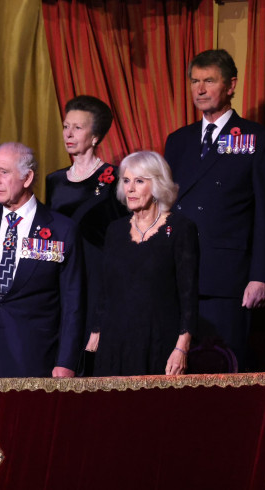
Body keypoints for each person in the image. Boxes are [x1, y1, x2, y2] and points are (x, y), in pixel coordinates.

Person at [164, 49, 265, 370]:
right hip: (178, 273)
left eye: (209, 81)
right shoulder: (178, 140)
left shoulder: (256, 138)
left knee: (222, 371)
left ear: (231, 86)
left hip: (228, 278)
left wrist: (259, 276)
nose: (199, 89)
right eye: (194, 81)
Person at [0, 142, 84, 378]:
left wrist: (66, 361)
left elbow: (73, 303)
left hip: (35, 358)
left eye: (4, 172)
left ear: (27, 178)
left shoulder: (61, 230)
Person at [87, 151, 198, 376]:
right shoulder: (115, 230)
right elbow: (105, 290)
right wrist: (96, 332)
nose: (130, 188)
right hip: (115, 341)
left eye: (139, 181)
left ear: (157, 185)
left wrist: (182, 347)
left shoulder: (180, 229)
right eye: (126, 181)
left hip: (159, 342)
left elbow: (188, 295)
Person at [45, 95, 127, 345]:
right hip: (62, 276)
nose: (68, 134)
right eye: (66, 126)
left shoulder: (116, 177)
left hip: (98, 278)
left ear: (95, 137)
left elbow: (122, 242)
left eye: (78, 128)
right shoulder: (54, 180)